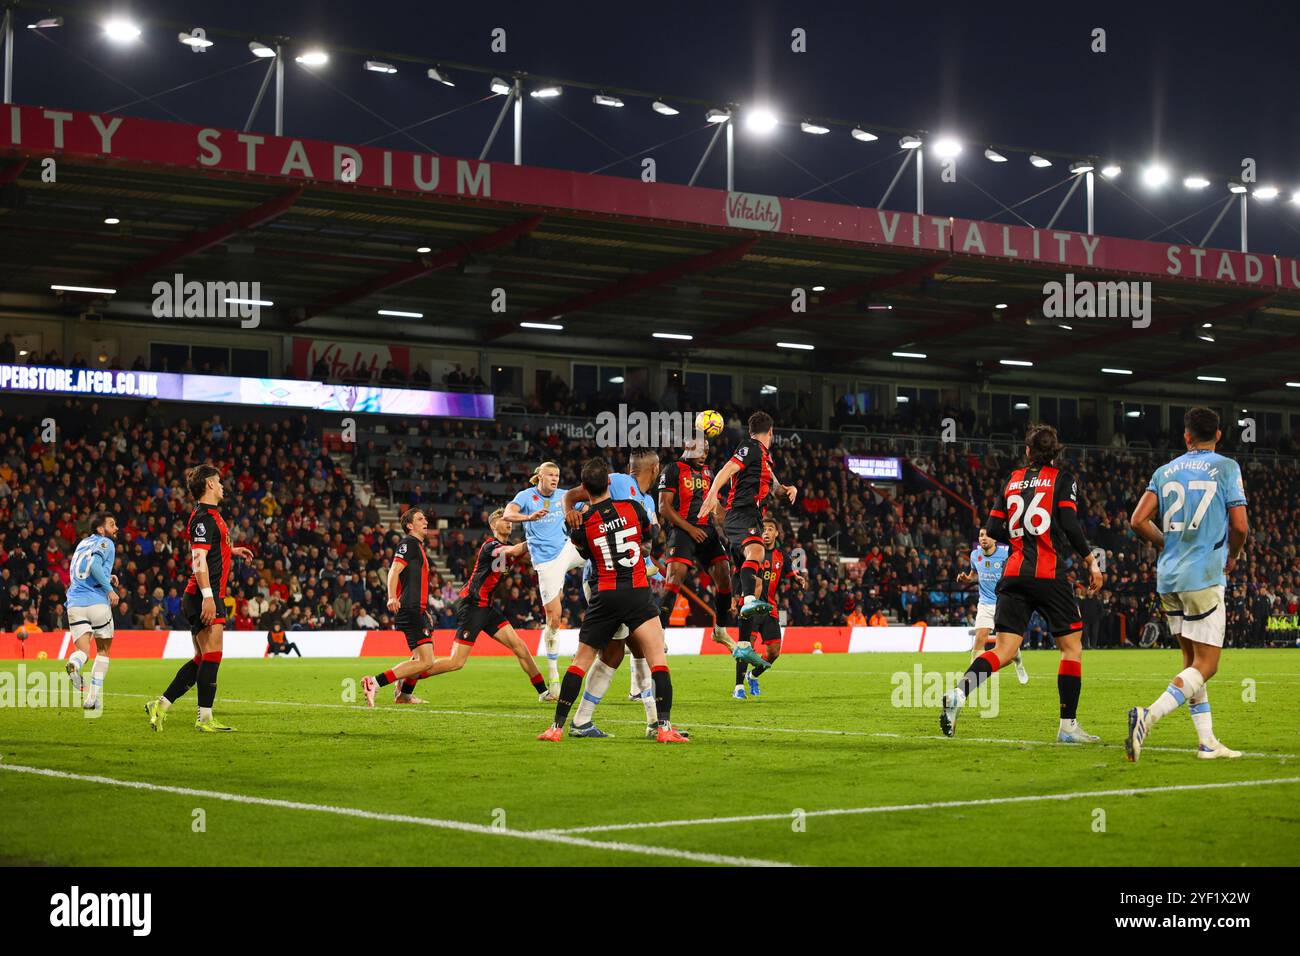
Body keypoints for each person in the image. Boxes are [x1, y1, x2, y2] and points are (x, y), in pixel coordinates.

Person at [940, 424, 1104, 743]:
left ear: (1027, 451)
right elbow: (1069, 523)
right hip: (1047, 573)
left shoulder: (1012, 480)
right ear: (1055, 452)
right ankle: (1068, 727)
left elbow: (992, 528)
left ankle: (959, 694)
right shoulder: (1062, 479)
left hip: (1013, 574)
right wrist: (1090, 560)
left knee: (1003, 650)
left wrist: (1020, 538)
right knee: (1071, 647)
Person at [1125, 407, 1247, 761]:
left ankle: (1207, 742)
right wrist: (1235, 554)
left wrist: (1166, 543)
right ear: (1219, 435)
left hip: (1169, 577)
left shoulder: (1165, 471)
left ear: (1186, 435)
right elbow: (1239, 526)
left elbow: (1137, 520)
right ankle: (1148, 715)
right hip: (1204, 574)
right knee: (1208, 664)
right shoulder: (1227, 467)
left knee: (1191, 660)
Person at [537, 457, 687, 743]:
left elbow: (585, 552)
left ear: (585, 487)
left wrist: (576, 516)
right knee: (657, 659)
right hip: (637, 592)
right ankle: (664, 728)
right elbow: (650, 535)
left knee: (580, 662)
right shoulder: (633, 507)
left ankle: (556, 727)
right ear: (609, 482)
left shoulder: (582, 523)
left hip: (604, 594)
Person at [376, 508, 554, 702]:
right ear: (493, 525)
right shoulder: (490, 546)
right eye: (504, 520)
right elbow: (512, 550)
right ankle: (409, 676)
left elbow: (522, 554)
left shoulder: (507, 548)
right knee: (456, 662)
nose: (509, 523)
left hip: (487, 607)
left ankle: (543, 692)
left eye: (510, 520)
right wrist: (537, 537)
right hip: (472, 606)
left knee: (520, 646)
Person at [145, 465, 253, 733]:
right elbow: (198, 561)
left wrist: (231, 550)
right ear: (209, 485)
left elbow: (211, 550)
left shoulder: (211, 516)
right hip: (204, 595)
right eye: (219, 482)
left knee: (202, 659)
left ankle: (161, 705)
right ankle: (204, 719)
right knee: (213, 655)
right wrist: (208, 598)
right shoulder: (203, 518)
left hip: (204, 594)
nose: (223, 486)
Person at [699, 410, 799, 626]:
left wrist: (790, 488)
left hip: (751, 517)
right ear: (770, 432)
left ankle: (737, 636)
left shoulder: (764, 458)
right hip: (741, 514)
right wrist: (712, 493)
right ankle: (749, 602)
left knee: (754, 575)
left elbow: (776, 489)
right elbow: (728, 468)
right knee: (758, 551)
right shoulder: (751, 447)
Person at [503, 461, 586, 695]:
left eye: (557, 475)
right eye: (550, 474)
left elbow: (588, 505)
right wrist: (529, 518)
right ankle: (554, 675)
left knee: (598, 551)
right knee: (554, 617)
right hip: (547, 561)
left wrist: (585, 512)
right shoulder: (526, 496)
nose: (555, 478)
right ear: (539, 476)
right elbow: (509, 514)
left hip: (567, 549)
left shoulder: (564, 496)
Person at [360, 508, 440, 706]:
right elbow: (394, 570)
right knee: (426, 662)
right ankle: (374, 682)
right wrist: (392, 596)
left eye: (425, 518)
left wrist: (425, 609)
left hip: (417, 609)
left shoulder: (418, 546)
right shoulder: (408, 544)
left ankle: (404, 696)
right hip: (410, 609)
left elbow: (415, 583)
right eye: (420, 519)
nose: (425, 521)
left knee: (418, 658)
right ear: (410, 525)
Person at [733, 517, 805, 699]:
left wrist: (797, 578)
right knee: (745, 645)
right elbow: (738, 573)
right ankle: (738, 687)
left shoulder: (781, 556)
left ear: (776, 533)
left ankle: (753, 675)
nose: (766, 532)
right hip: (749, 606)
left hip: (770, 608)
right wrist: (734, 597)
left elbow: (790, 571)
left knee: (774, 652)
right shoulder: (751, 551)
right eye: (763, 529)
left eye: (770, 529)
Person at [955, 528, 1028, 683]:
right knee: (980, 639)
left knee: (1008, 648)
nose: (984, 538)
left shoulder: (1005, 555)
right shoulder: (975, 555)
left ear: (995, 540)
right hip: (985, 603)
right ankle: (970, 680)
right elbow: (973, 576)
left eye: (988, 535)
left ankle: (1018, 660)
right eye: (981, 535)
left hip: (1004, 603)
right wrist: (965, 579)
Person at [65, 512, 119, 710]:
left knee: (83, 651)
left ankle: (75, 664)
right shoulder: (106, 542)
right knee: (103, 650)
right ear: (100, 529)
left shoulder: (82, 544)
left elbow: (84, 568)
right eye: (112, 524)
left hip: (75, 603)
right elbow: (95, 565)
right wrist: (109, 589)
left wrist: (107, 575)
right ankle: (92, 698)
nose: (116, 528)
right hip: (96, 602)